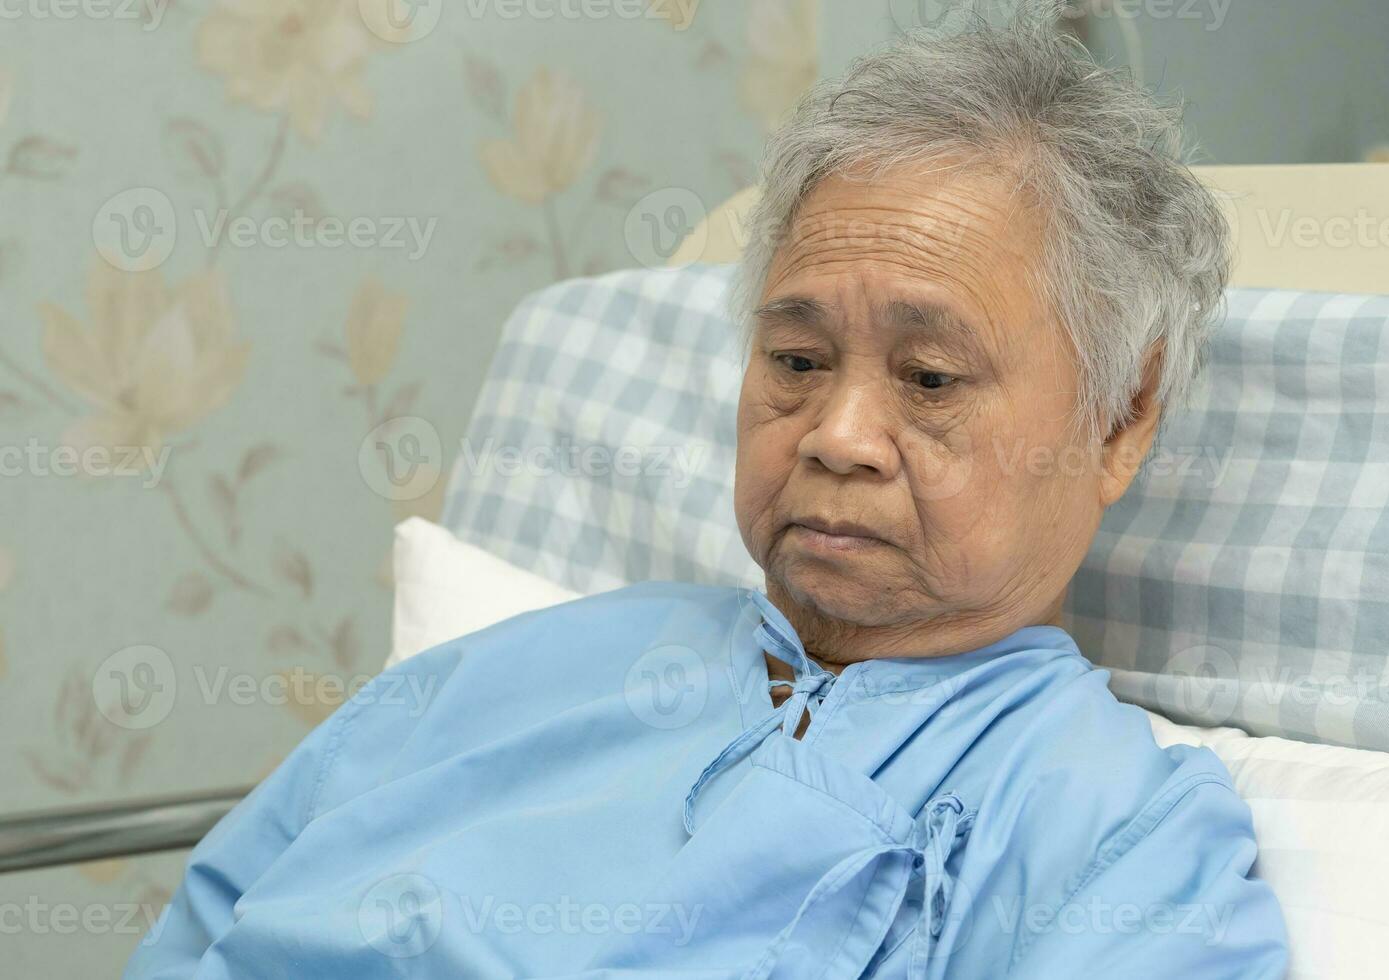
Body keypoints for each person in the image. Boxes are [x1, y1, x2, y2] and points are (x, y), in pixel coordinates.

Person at [126, 3, 1289, 976]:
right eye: (795, 361)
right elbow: (207, 924)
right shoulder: (508, 672)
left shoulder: (1113, 839)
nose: (837, 435)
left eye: (929, 376)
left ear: (1121, 418)